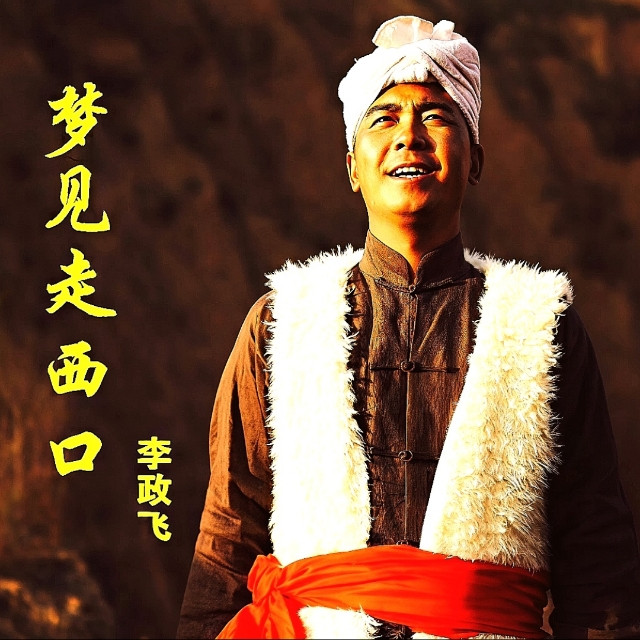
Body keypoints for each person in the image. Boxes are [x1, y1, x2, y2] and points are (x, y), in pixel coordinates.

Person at [178, 15, 640, 639]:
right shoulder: (281, 323)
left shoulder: (542, 326)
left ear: (475, 160)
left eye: (436, 116)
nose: (409, 137)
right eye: (384, 119)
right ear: (353, 167)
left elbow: (598, 559)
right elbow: (228, 537)